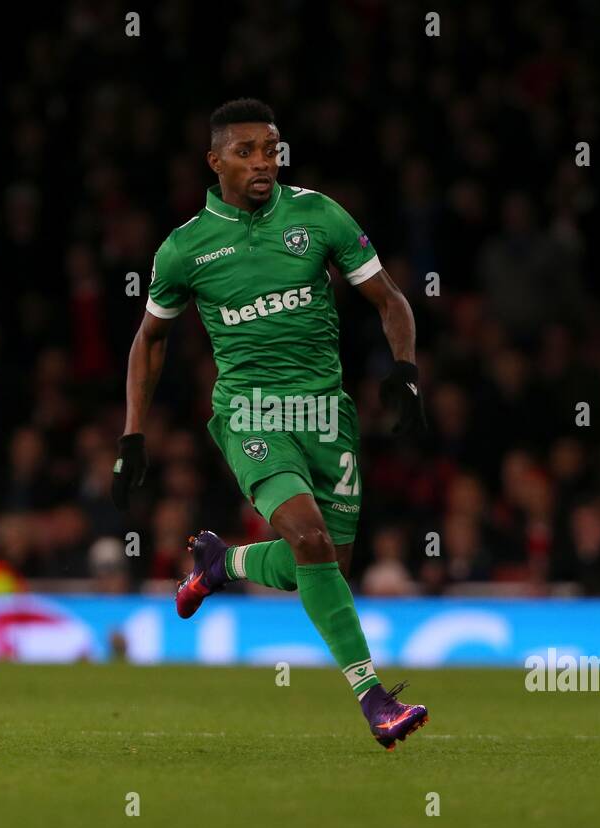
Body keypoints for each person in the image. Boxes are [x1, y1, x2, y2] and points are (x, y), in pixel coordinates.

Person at [112, 98, 429, 749]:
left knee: (327, 562)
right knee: (310, 538)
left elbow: (390, 299)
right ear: (215, 160)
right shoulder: (184, 250)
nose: (263, 161)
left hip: (325, 413)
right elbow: (150, 340)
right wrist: (133, 432)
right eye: (247, 150)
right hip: (250, 412)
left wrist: (405, 371)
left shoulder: (319, 215)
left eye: (271, 149)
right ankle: (373, 698)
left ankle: (221, 560)